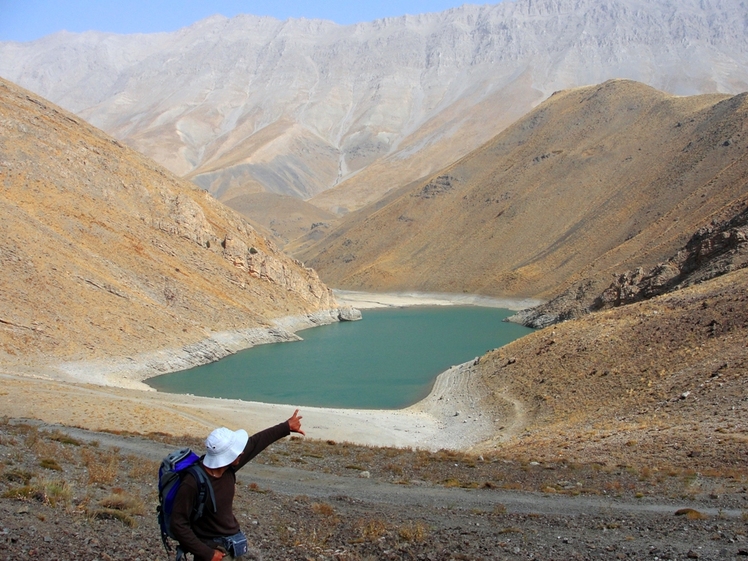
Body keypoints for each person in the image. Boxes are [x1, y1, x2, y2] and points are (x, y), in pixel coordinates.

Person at [170, 410, 305, 561]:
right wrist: (207, 554)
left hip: (232, 542)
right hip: (214, 550)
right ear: (226, 456)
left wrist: (286, 427)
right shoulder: (192, 482)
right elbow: (178, 523)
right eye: (237, 451)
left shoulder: (228, 468)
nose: (241, 452)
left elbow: (255, 442)